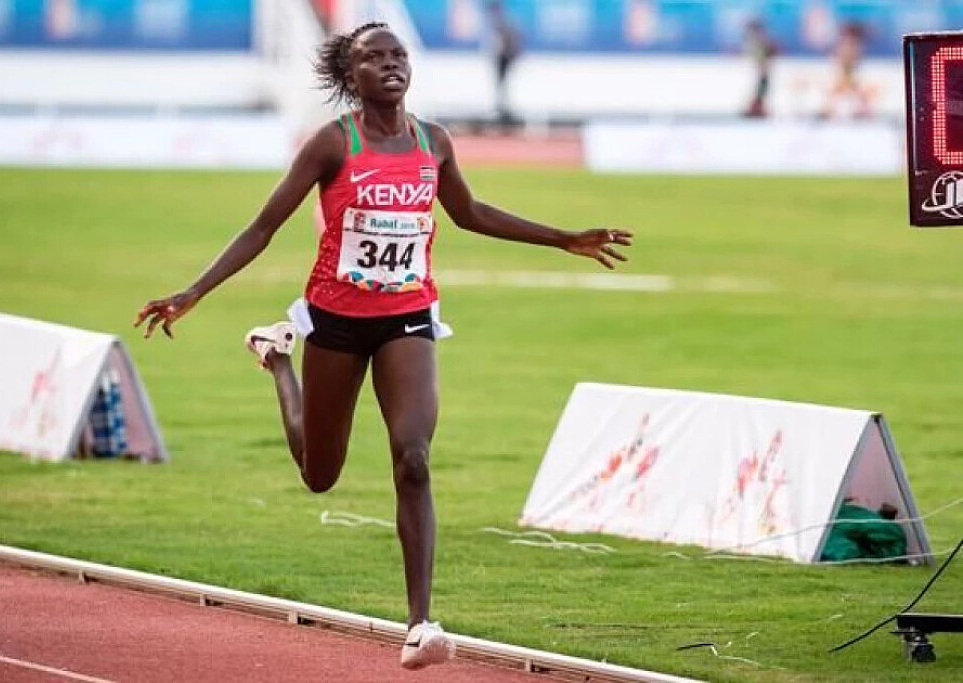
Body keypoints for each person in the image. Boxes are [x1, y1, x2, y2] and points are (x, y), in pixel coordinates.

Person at [133, 21, 633, 670]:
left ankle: (420, 623)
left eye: (399, 55)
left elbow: (470, 213)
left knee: (414, 458)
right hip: (336, 321)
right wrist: (194, 291)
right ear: (352, 75)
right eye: (375, 57)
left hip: (408, 317)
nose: (392, 64)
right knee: (319, 474)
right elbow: (262, 227)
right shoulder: (331, 144)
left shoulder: (434, 142)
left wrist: (563, 238)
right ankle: (278, 359)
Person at [486, 1, 522, 126]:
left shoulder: (503, 24)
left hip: (504, 58)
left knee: (503, 83)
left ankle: (503, 107)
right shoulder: (498, 23)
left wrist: (508, 53)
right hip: (501, 57)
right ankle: (501, 106)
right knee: (501, 83)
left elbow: (508, 42)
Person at [742, 19, 778, 118]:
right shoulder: (757, 40)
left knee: (761, 88)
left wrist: (764, 64)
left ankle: (757, 108)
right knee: (761, 88)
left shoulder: (760, 40)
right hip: (761, 69)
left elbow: (768, 53)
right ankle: (756, 108)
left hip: (763, 69)